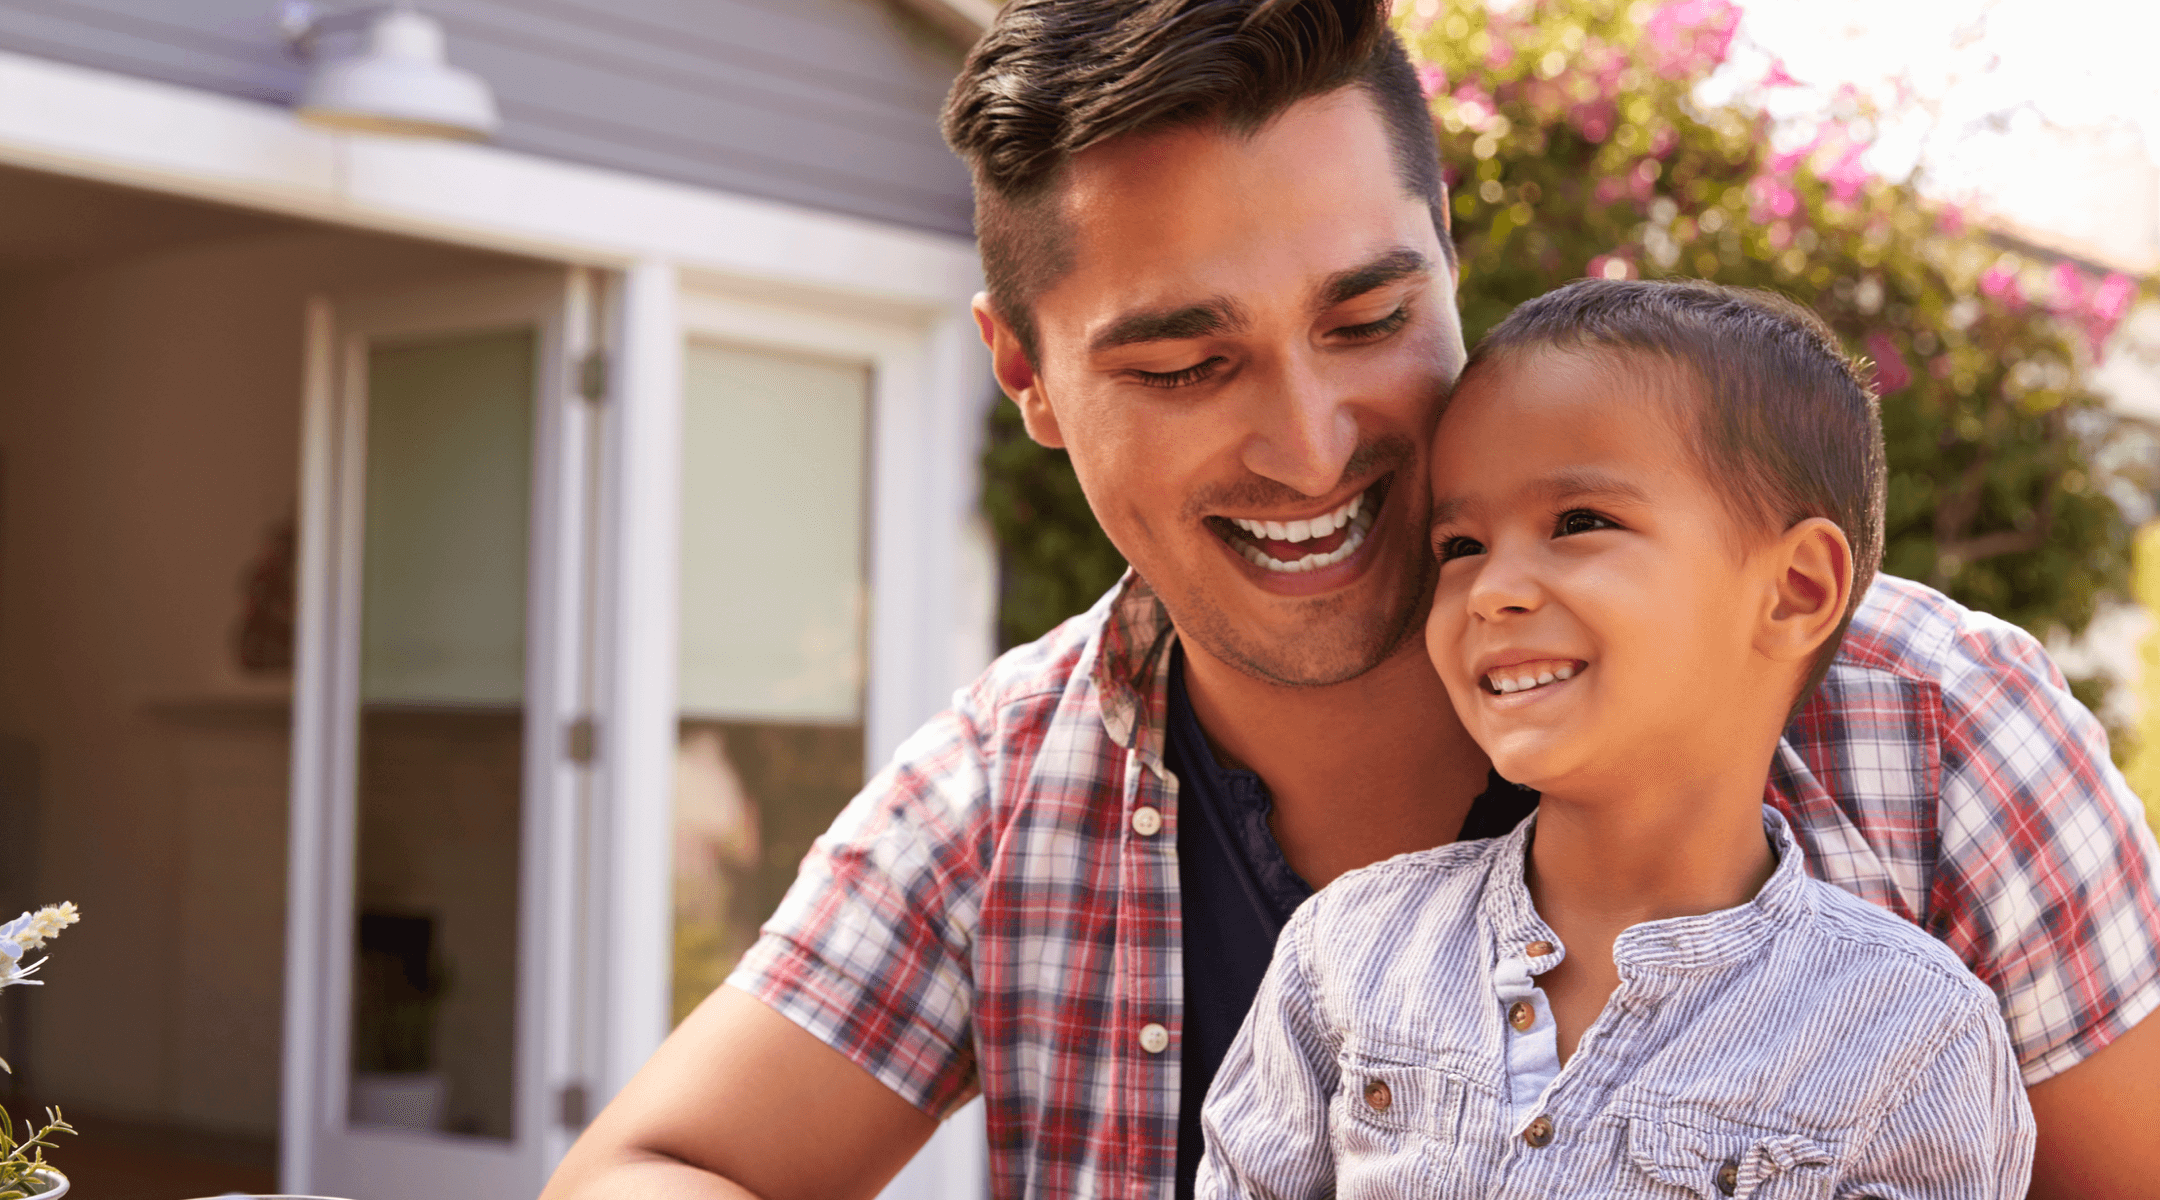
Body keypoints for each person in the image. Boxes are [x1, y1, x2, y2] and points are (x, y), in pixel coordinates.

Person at [538, 3, 2160, 1198]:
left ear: (1451, 253)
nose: (1312, 447)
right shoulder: (1007, 787)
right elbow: (656, 1165)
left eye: (1369, 315)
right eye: (1186, 362)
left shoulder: (1932, 723)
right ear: (1025, 375)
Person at [1196, 277, 2035, 1198]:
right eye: (1460, 545)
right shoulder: (1348, 954)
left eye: (1579, 523)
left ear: (1795, 588)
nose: (1492, 589)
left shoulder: (1911, 1037)